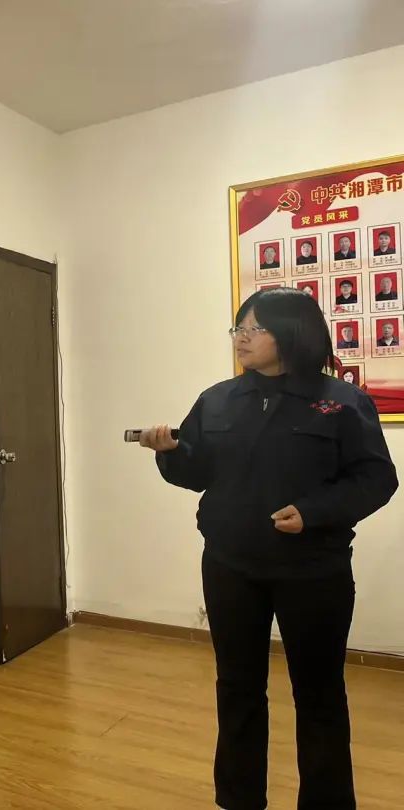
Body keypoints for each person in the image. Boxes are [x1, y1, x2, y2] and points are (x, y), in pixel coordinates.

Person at [139, 288, 397, 810]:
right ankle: (239, 800)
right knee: (237, 688)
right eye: (237, 328)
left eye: (253, 329)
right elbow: (197, 472)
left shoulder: (342, 401)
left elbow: (376, 479)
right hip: (230, 567)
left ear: (292, 333)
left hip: (313, 570)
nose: (241, 339)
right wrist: (169, 453)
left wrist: (314, 512)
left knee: (319, 694)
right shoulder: (217, 399)